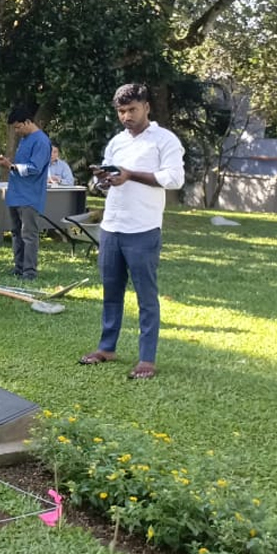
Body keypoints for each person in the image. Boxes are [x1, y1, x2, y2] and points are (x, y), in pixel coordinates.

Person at [78, 83, 184, 381]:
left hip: (143, 228)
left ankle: (146, 359)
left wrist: (131, 175)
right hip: (112, 226)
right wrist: (103, 180)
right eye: (121, 111)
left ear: (146, 107)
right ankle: (107, 347)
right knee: (111, 291)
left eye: (132, 110)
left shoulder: (164, 140)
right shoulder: (116, 142)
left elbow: (174, 179)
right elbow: (107, 182)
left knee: (145, 296)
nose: (126, 116)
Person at [0, 105, 50, 281]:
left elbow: (35, 168)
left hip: (30, 196)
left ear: (27, 122)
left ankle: (29, 272)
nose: (16, 131)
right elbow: (20, 166)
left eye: (18, 127)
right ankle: (19, 267)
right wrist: (9, 163)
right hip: (16, 193)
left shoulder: (41, 141)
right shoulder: (25, 139)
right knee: (16, 233)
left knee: (29, 234)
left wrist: (10, 166)